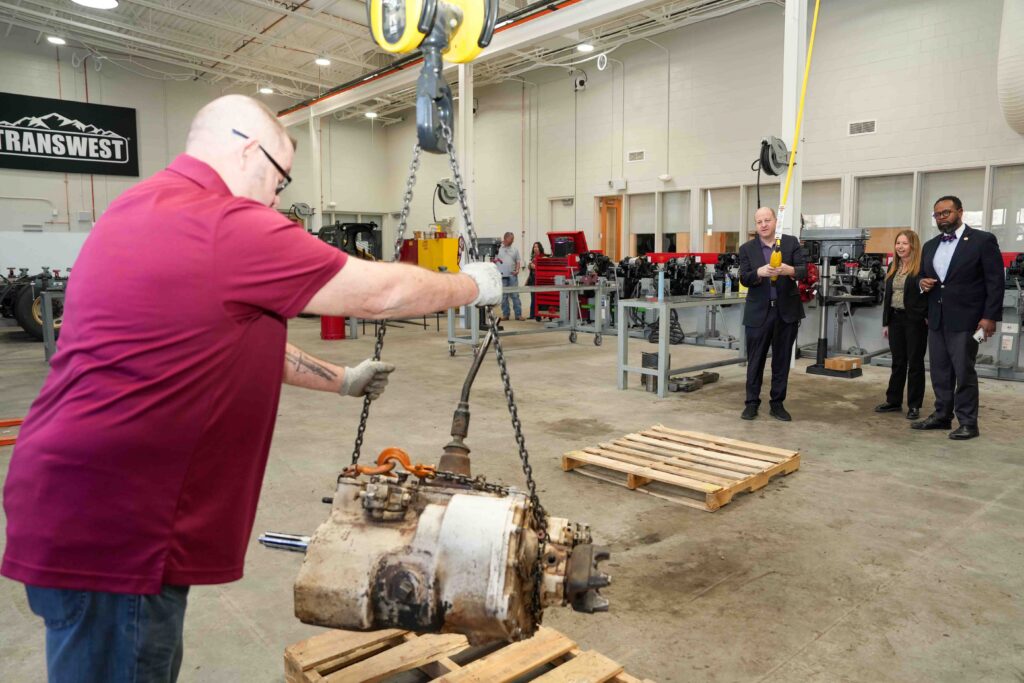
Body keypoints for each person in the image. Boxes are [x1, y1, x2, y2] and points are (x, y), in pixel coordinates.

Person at [1, 95, 502, 682]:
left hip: (78, 508)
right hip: (120, 527)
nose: (277, 197)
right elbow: (378, 295)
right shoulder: (224, 222)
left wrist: (342, 380)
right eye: (280, 177)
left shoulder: (140, 205)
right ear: (247, 149)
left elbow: (229, 333)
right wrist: (472, 284)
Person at [913, 195, 1004, 440]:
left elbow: (995, 282)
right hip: (937, 319)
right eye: (937, 214)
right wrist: (922, 283)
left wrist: (990, 317)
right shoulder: (930, 245)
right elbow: (923, 277)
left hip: (968, 320)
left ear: (960, 212)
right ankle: (942, 415)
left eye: (946, 212)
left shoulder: (982, 241)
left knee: (964, 371)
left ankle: (968, 422)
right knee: (940, 371)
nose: (942, 218)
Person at [737, 206, 807, 421]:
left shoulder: (790, 242)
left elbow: (805, 270)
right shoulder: (747, 248)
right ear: (755, 225)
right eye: (759, 222)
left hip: (786, 311)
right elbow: (744, 278)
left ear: (776, 221)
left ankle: (777, 403)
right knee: (755, 359)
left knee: (782, 360)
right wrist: (758, 272)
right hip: (759, 312)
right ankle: (751, 403)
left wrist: (790, 270)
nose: (764, 225)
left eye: (767, 220)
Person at [875, 230, 929, 420]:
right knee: (898, 362)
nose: (900, 247)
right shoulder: (893, 267)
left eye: (905, 243)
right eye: (898, 243)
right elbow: (888, 298)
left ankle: (914, 405)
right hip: (895, 319)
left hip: (915, 321)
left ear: (913, 245)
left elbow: (929, 294)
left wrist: (926, 316)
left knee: (915, 363)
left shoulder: (921, 268)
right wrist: (886, 322)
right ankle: (893, 400)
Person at [495, 231, 523, 321]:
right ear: (506, 238)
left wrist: (517, 270)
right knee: (504, 297)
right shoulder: (498, 248)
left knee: (515, 295)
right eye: (511, 239)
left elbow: (518, 261)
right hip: (502, 276)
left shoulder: (514, 249)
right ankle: (505, 315)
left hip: (512, 275)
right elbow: (493, 260)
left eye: (513, 239)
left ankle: (518, 315)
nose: (513, 241)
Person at [525, 240, 546, 321]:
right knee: (533, 297)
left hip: (539, 279)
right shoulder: (533, 257)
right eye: (534, 247)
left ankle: (537, 314)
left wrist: (535, 267)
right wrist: (527, 280)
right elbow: (531, 270)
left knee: (538, 297)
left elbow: (543, 269)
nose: (535, 248)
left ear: (540, 248)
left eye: (537, 247)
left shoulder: (543, 257)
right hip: (532, 279)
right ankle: (532, 314)